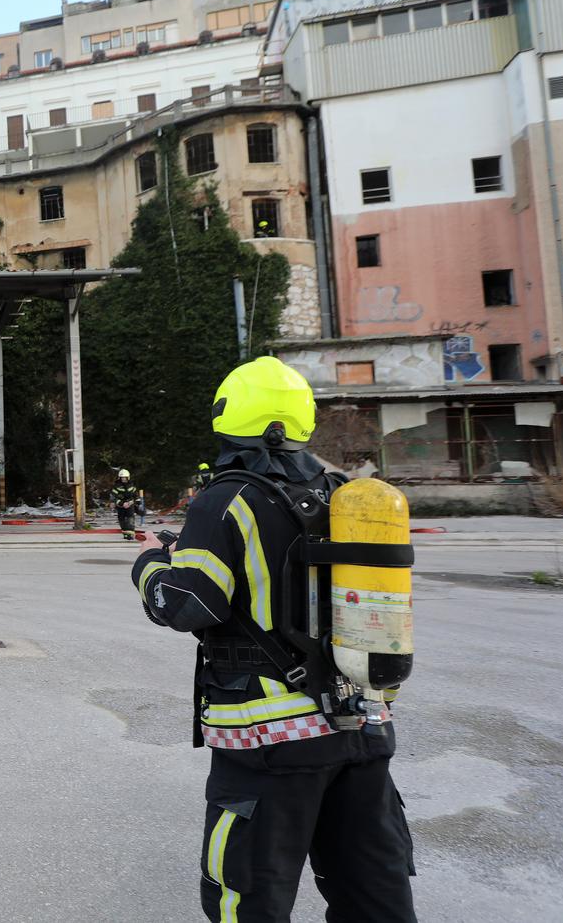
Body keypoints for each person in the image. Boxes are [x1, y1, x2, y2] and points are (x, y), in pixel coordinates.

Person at [130, 357, 415, 922]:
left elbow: (190, 604)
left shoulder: (226, 498)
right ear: (303, 420)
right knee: (374, 894)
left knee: (248, 898)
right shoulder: (349, 496)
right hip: (362, 729)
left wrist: (148, 567)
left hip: (267, 742)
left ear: (228, 418)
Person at [110, 469, 139, 540]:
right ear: (119, 478)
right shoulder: (116, 486)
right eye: (122, 478)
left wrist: (137, 501)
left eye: (125, 478)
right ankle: (125, 533)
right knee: (121, 519)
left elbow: (135, 495)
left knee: (130, 518)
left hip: (130, 504)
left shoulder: (132, 486)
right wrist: (122, 503)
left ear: (128, 478)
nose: (123, 479)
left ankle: (130, 534)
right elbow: (113, 497)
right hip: (120, 505)